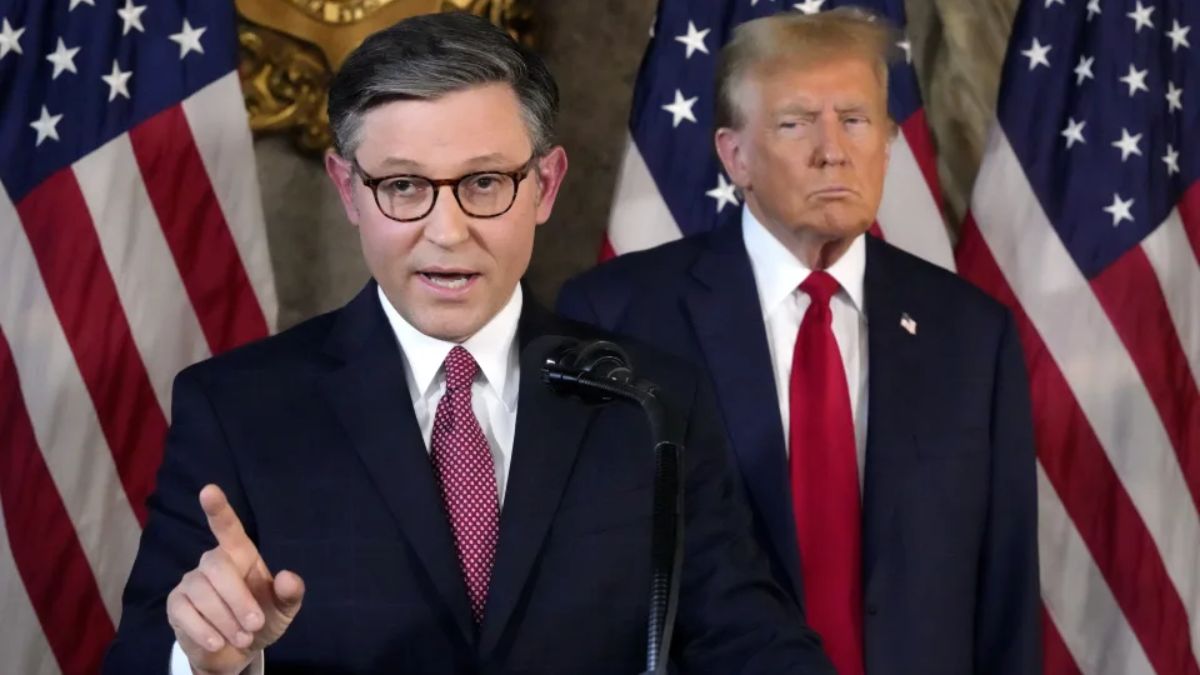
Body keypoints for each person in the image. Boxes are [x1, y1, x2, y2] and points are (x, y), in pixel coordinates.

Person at [102, 11, 835, 675]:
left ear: (546, 185)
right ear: (349, 189)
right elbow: (142, 656)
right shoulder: (237, 410)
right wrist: (201, 662)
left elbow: (751, 642)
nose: (448, 231)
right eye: (403, 186)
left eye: (485, 182)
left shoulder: (652, 401)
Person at [558, 9, 1040, 675]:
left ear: (888, 144)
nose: (832, 149)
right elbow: (594, 581)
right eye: (795, 123)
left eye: (855, 120)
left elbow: (1006, 591)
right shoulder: (621, 316)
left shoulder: (972, 333)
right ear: (735, 155)